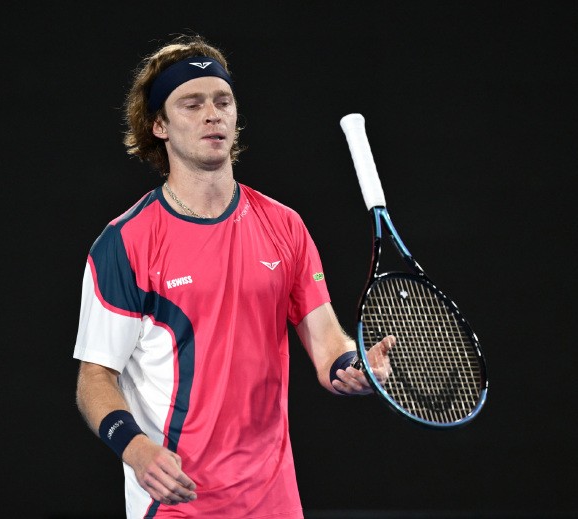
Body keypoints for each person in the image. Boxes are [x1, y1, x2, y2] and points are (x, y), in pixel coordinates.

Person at [73, 34, 393, 519]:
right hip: (174, 504)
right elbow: (94, 378)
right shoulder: (125, 243)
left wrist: (354, 368)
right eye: (192, 104)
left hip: (273, 500)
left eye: (223, 101)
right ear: (158, 125)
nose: (212, 114)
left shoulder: (285, 225)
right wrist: (135, 449)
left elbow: (329, 344)